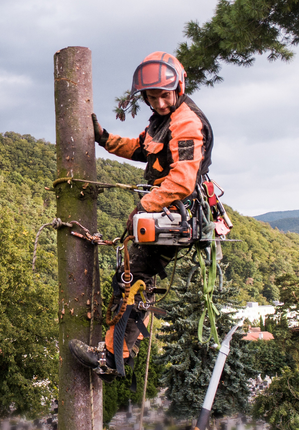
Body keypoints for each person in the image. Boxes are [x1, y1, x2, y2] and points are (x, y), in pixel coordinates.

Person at [69, 51, 213, 379]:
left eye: (164, 95)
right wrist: (105, 140)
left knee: (130, 277)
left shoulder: (187, 122)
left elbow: (182, 180)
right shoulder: (161, 121)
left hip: (174, 213)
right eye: (152, 97)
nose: (160, 103)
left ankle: (111, 356)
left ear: (178, 87)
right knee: (134, 277)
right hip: (164, 213)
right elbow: (139, 148)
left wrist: (146, 205)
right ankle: (120, 351)